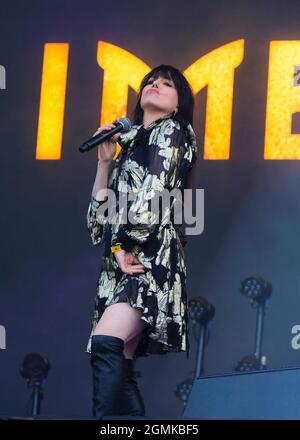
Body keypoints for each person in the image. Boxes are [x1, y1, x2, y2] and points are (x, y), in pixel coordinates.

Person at [85, 64, 197, 418]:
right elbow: (98, 223)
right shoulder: (130, 144)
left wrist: (122, 247)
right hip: (121, 260)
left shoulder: (174, 131)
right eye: (151, 81)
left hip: (148, 259)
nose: (155, 85)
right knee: (121, 363)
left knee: (106, 343)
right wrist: (105, 164)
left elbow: (155, 196)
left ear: (178, 104)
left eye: (166, 84)